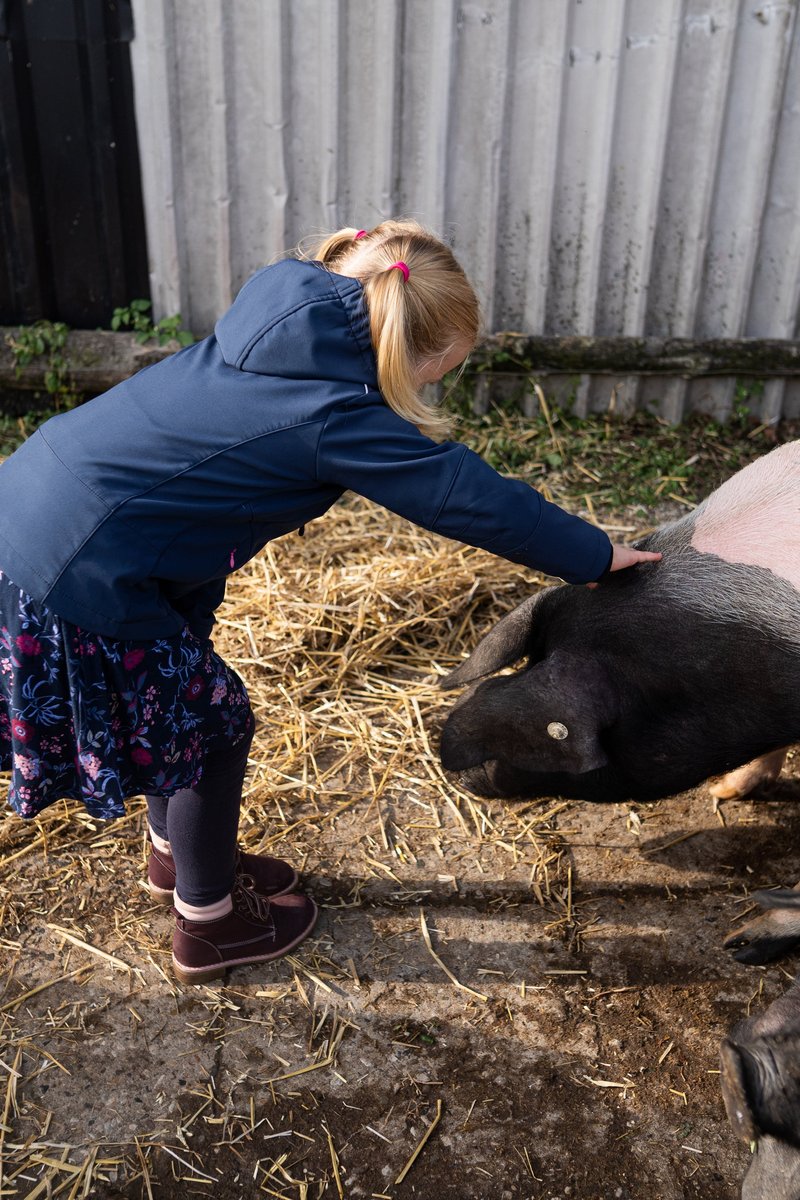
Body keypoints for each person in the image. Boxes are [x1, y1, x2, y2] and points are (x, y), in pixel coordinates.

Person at [0, 218, 659, 985]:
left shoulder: (264, 336)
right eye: (435, 375)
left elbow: (186, 501)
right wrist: (596, 554)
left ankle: (180, 857)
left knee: (183, 701)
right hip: (75, 572)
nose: (426, 392)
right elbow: (465, 496)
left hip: (43, 518)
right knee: (213, 727)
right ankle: (209, 926)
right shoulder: (332, 411)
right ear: (399, 353)